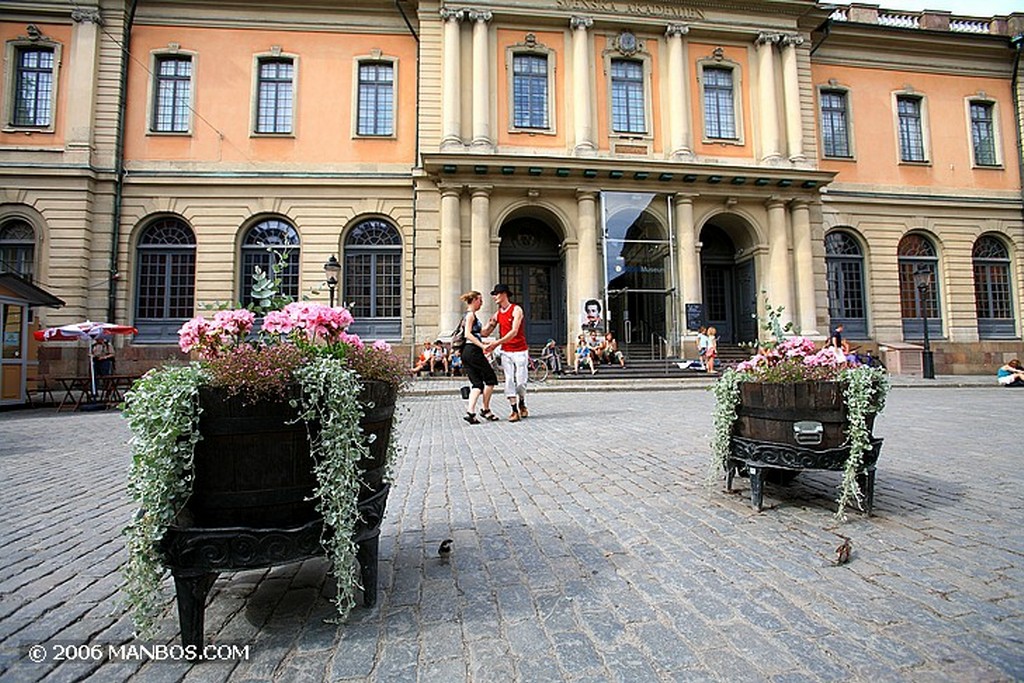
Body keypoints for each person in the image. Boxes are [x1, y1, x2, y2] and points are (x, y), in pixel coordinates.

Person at [483, 283, 530, 421]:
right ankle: (514, 410)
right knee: (509, 380)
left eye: (496, 294)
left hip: (520, 350)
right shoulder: (497, 314)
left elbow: (514, 331)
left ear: (504, 294)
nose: (494, 297)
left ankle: (521, 401)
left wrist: (496, 343)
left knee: (520, 382)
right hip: (506, 351)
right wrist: (470, 327)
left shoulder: (517, 310)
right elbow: (486, 331)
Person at [457, 291, 500, 423]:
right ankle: (485, 409)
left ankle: (470, 412)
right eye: (480, 300)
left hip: (467, 352)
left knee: (477, 384)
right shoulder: (470, 315)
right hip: (473, 351)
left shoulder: (470, 316)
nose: (482, 303)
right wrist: (482, 346)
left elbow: (482, 333)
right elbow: (468, 335)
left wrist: (492, 324)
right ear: (474, 300)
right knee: (491, 379)